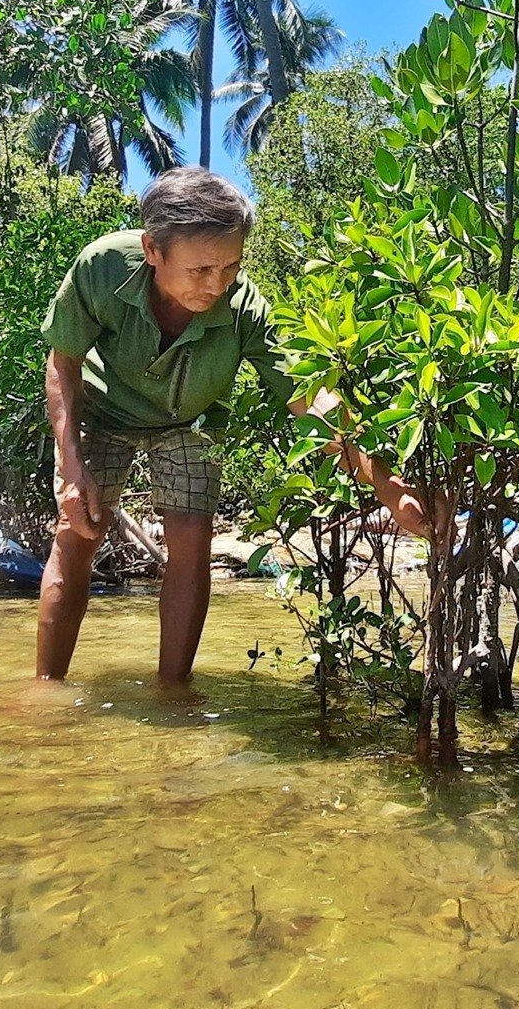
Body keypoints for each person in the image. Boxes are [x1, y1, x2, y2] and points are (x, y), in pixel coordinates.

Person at [35, 167, 429, 684]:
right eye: (201, 270)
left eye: (231, 267)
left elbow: (310, 397)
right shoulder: (103, 267)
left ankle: (174, 692)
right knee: (77, 532)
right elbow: (63, 363)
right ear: (154, 250)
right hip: (104, 410)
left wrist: (390, 487)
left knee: (192, 543)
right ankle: (46, 689)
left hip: (190, 421)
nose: (218, 285)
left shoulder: (245, 306)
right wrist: (70, 468)